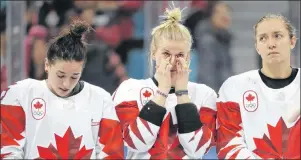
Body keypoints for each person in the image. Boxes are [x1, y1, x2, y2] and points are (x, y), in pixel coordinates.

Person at [0, 20, 124, 159]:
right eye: (60, 75)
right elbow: (9, 150)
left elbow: (111, 153)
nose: (66, 84)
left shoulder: (101, 99)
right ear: (47, 65)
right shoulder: (20, 94)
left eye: (74, 76)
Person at [112, 6, 217, 159]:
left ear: (188, 57)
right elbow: (136, 142)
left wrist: (182, 95)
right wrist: (162, 91)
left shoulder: (205, 94)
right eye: (166, 53)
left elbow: (198, 149)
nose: (173, 61)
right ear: (154, 53)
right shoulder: (130, 88)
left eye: (180, 55)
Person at [216, 14, 300, 159]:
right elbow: (227, 143)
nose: (271, 44)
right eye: (263, 38)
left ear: (292, 41)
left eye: (277, 36)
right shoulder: (234, 87)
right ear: (257, 47)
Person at [195, 1, 233, 92]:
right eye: (220, 13)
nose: (225, 16)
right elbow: (207, 74)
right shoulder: (208, 40)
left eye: (227, 12)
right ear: (211, 15)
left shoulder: (222, 37)